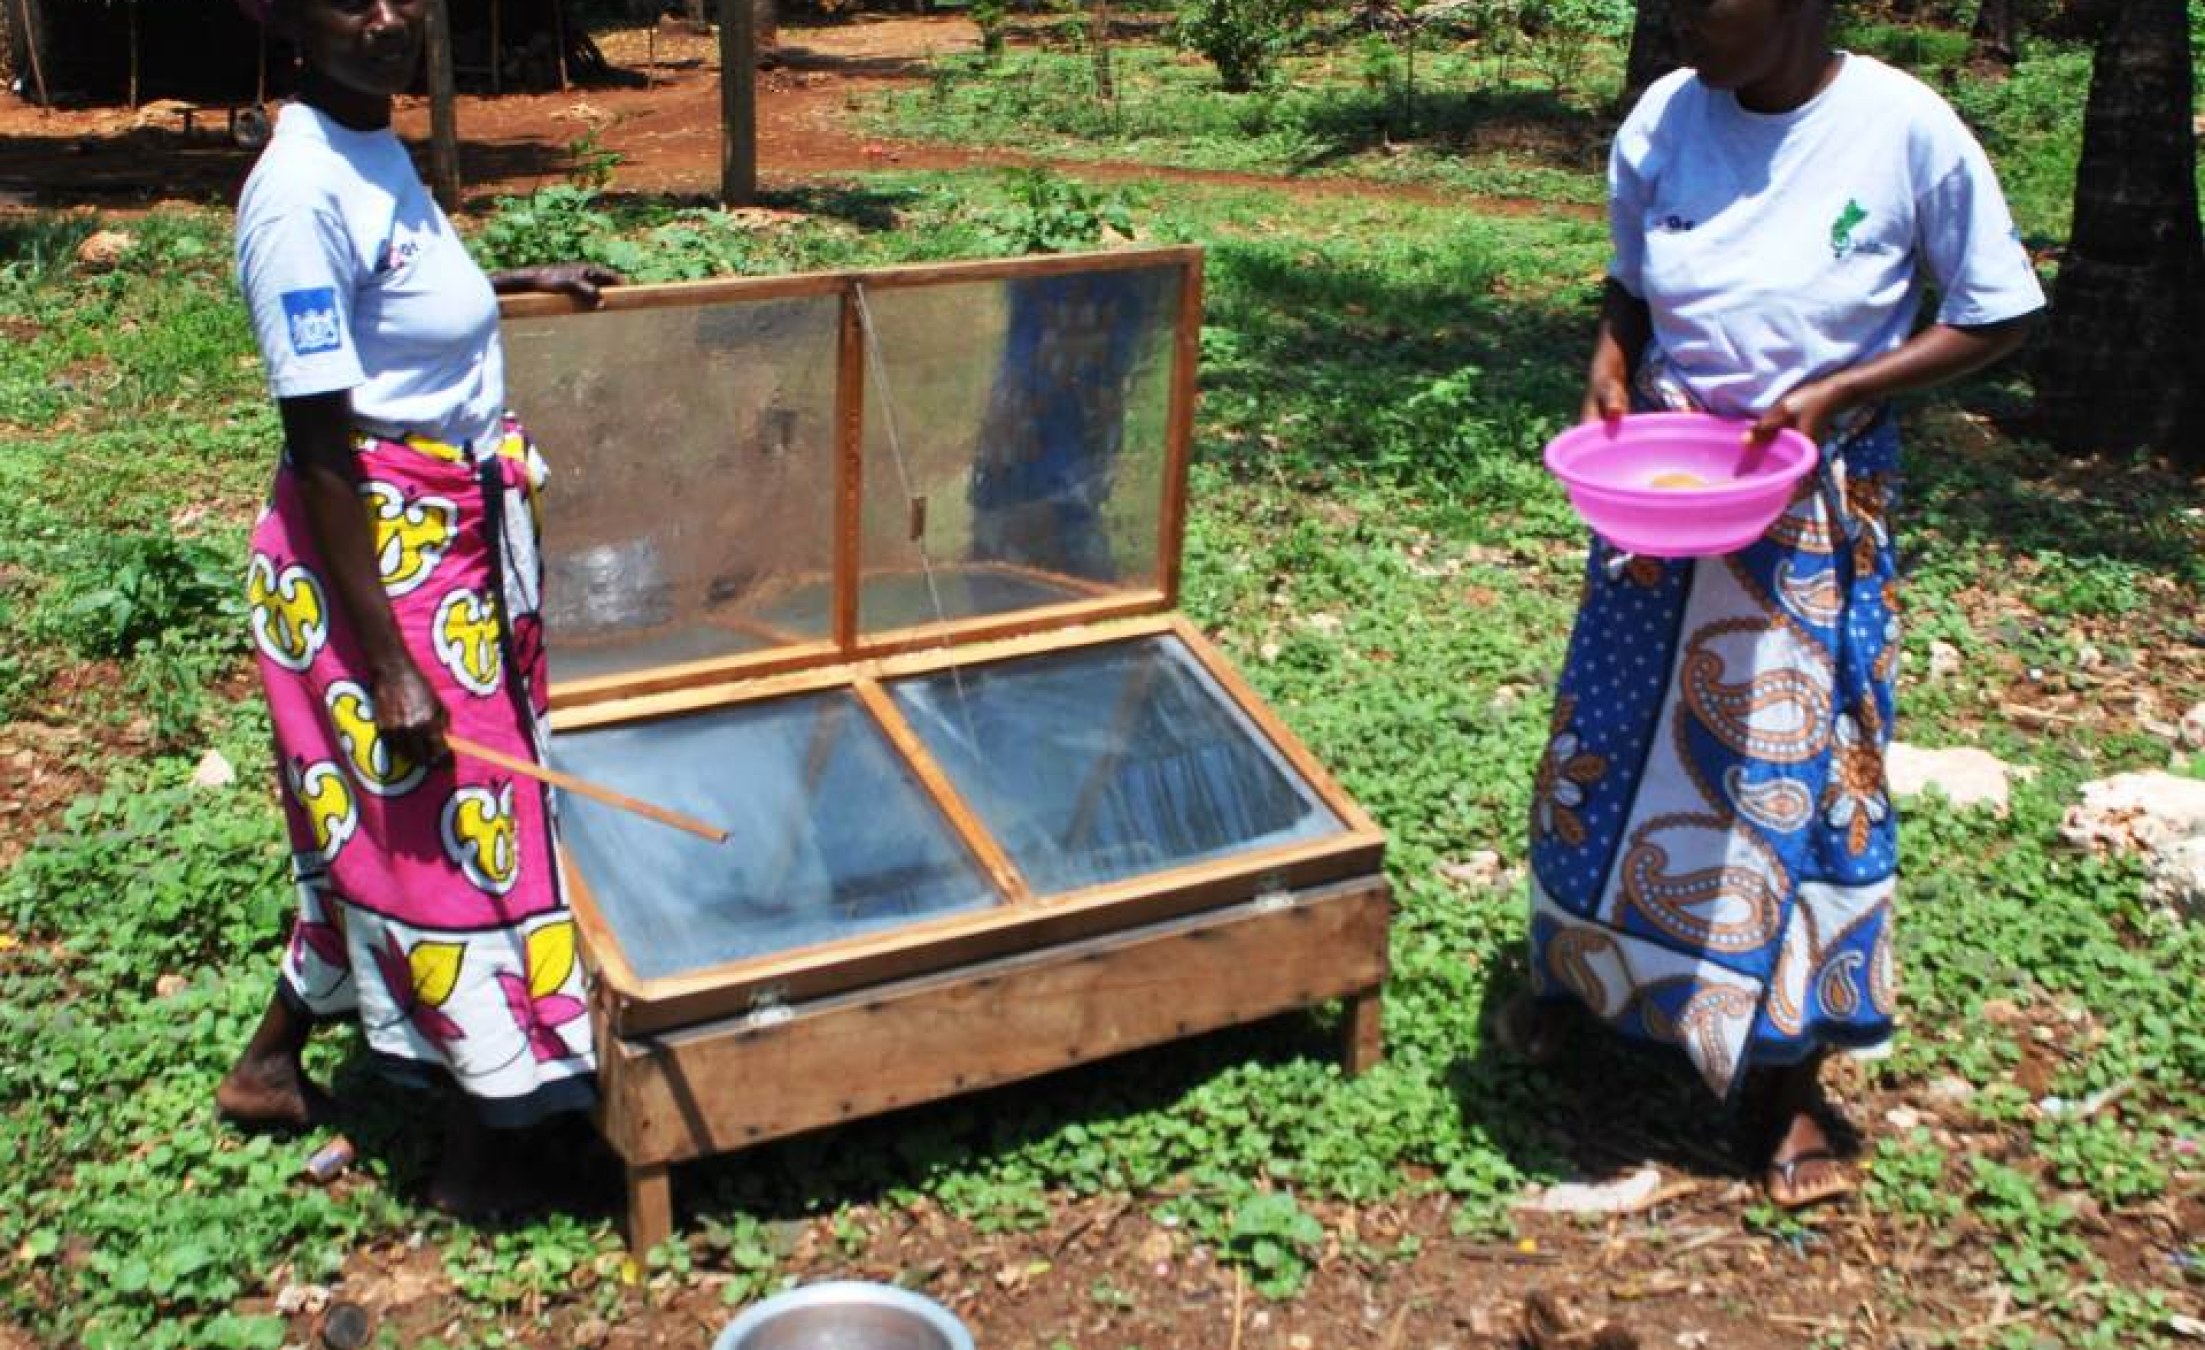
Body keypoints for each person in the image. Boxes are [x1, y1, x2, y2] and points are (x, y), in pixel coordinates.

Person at [1507, 0, 2043, 1209]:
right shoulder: (1665, 115)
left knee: (1791, 777)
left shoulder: (1903, 129)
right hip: (1662, 496)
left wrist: (1845, 386)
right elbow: (1632, 279)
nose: (1684, 17)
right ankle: (1589, 995)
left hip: (1810, 505)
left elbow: (2000, 310)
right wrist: (1608, 354)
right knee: (1608, 751)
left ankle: (1787, 1079)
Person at [213, 0, 620, 1215]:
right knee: (448, 832)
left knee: (378, 825)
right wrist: (390, 663)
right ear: (284, 21)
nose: (389, 18)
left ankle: (270, 1065)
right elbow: (322, 437)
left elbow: (390, 295)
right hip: (376, 555)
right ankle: (485, 1144)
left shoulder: (369, 145)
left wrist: (512, 282)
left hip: (446, 525)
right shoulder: (293, 192)